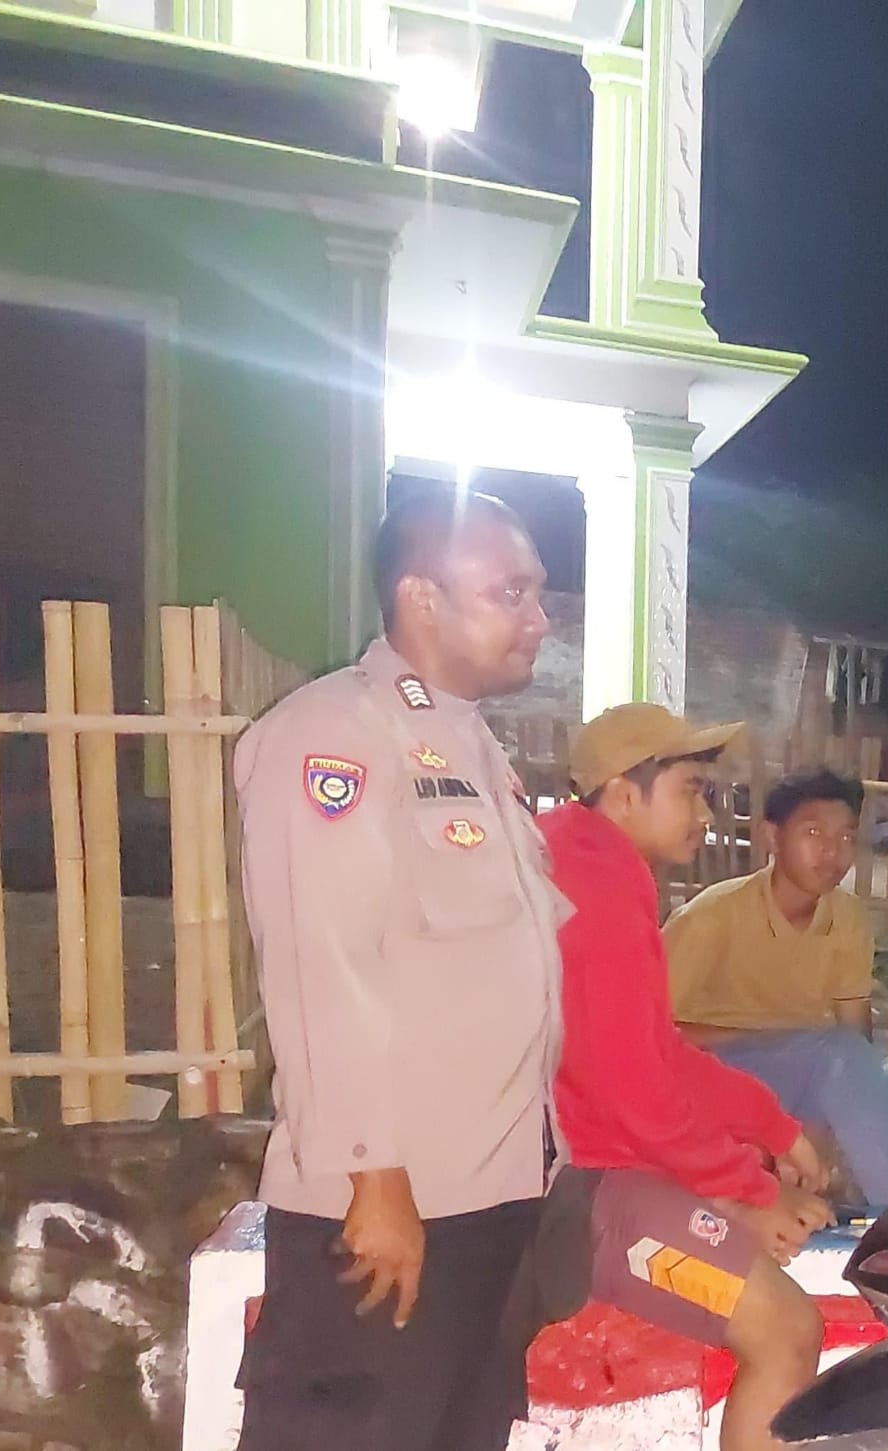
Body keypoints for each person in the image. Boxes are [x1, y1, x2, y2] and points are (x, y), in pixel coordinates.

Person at [233, 491, 567, 1451]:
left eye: (538, 593)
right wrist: (372, 1178)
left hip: (485, 1189)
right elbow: (322, 961)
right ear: (422, 597)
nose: (540, 619)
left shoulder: (467, 742)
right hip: (389, 1200)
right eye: (511, 592)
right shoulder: (334, 734)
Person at [538, 704, 832, 1451]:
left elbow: (655, 1053)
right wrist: (749, 1191)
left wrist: (772, 1128)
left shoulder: (591, 863)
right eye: (690, 790)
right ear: (622, 794)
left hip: (590, 1163)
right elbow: (632, 1090)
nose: (706, 813)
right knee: (788, 1329)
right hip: (581, 1191)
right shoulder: (595, 892)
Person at [665, 768, 888, 1208]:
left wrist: (830, 1106)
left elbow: (856, 1034)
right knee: (832, 1054)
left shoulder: (848, 917)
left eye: (846, 837)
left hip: (816, 1067)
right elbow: (650, 1037)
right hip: (719, 1073)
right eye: (814, 833)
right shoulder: (710, 918)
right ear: (771, 836)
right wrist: (780, 1043)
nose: (832, 852)